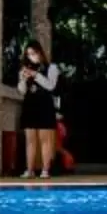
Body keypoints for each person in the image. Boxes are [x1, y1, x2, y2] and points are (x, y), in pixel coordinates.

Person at [14, 41, 64, 180]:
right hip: (30, 106)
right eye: (29, 54)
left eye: (34, 53)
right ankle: (29, 170)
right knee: (30, 140)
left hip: (45, 106)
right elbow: (22, 91)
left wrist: (36, 75)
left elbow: (50, 86)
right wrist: (23, 79)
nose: (31, 57)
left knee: (45, 140)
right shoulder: (25, 69)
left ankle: (45, 170)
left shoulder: (51, 67)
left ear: (40, 52)